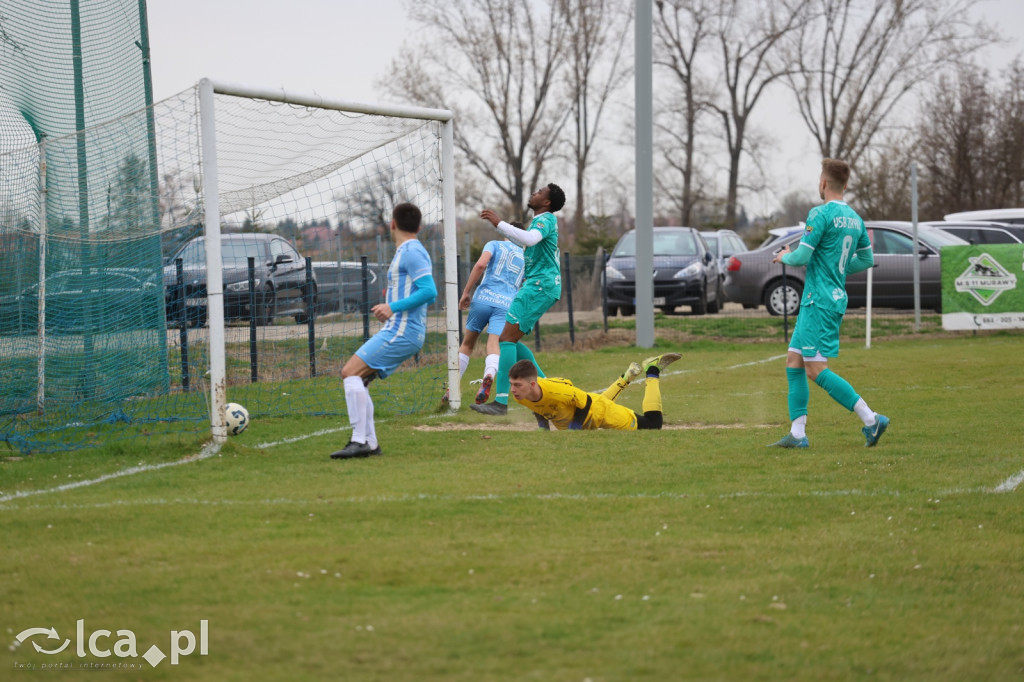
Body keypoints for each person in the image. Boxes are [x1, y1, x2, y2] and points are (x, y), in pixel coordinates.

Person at [768, 158, 889, 449]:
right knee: (794, 362)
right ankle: (797, 434)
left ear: (823, 183)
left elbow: (800, 258)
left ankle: (871, 419)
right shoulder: (856, 219)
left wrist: (783, 255)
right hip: (829, 299)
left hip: (817, 301)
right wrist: (838, 266)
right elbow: (867, 259)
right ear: (845, 185)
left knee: (815, 368)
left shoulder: (819, 214)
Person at [331, 203, 436, 459]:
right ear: (419, 226)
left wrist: (392, 307)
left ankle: (359, 441)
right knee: (360, 379)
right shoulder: (407, 250)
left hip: (403, 331)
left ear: (392, 223)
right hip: (399, 328)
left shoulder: (412, 251)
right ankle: (371, 444)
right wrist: (389, 307)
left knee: (349, 373)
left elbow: (430, 291)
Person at [471, 183, 566, 416]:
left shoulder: (545, 219)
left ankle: (501, 403)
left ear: (547, 202)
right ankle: (551, 391)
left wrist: (499, 223)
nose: (535, 192)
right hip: (537, 285)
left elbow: (531, 239)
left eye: (540, 192)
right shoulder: (540, 220)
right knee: (510, 339)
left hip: (540, 285)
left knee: (506, 339)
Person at [507, 353, 681, 431]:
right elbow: (537, 407)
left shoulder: (557, 392)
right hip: (592, 405)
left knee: (652, 425)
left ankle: (652, 370)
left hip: (598, 413)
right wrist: (543, 428)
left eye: (517, 385)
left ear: (531, 384)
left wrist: (575, 429)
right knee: (598, 400)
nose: (513, 389)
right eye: (511, 384)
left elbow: (588, 403)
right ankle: (626, 378)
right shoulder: (521, 395)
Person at [451, 233, 525, 405]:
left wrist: (466, 291)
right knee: (494, 344)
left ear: (506, 233)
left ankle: (452, 388)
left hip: (483, 298)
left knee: (467, 344)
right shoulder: (526, 256)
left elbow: (480, 265)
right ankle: (489, 374)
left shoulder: (494, 244)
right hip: (506, 303)